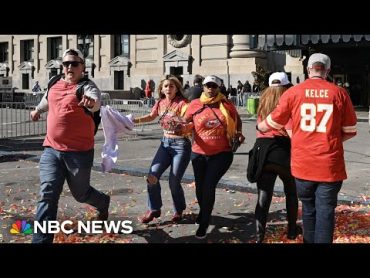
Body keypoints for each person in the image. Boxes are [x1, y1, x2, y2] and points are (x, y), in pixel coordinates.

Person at [257, 53, 357, 243]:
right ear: (327, 70)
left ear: (309, 69)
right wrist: (331, 140)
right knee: (326, 212)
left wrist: (260, 127)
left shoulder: (294, 93)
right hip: (329, 165)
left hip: (303, 165)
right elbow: (350, 131)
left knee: (308, 209)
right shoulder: (339, 93)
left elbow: (271, 122)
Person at [30, 48, 110, 243]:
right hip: (51, 149)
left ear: (82, 67)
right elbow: (46, 100)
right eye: (66, 64)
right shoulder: (54, 83)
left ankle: (103, 202)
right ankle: (40, 240)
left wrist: (90, 103)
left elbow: (96, 102)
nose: (69, 67)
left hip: (79, 154)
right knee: (47, 194)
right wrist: (37, 110)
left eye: (74, 63)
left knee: (81, 194)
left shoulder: (86, 87)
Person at [181, 75, 245, 239]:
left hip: (222, 154)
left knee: (208, 186)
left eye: (214, 86)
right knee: (200, 188)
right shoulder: (195, 104)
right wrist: (180, 127)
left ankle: (204, 223)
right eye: (208, 85)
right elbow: (185, 122)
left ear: (218, 88)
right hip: (198, 154)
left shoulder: (226, 104)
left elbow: (237, 122)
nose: (211, 88)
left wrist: (238, 133)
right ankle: (204, 212)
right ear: (203, 87)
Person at [250, 72, 301, 243]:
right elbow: (290, 130)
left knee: (263, 196)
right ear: (286, 86)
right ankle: (292, 230)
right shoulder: (286, 101)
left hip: (263, 150)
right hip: (282, 150)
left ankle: (259, 236)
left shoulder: (263, 101)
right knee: (291, 192)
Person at [133, 75, 191, 223]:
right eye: (166, 86)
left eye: (172, 86)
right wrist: (133, 120)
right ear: (161, 89)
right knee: (151, 176)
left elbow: (188, 119)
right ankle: (154, 209)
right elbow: (151, 116)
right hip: (165, 145)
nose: (168, 88)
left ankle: (179, 210)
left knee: (173, 181)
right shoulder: (160, 103)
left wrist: (181, 124)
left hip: (180, 146)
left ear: (177, 88)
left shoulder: (183, 103)